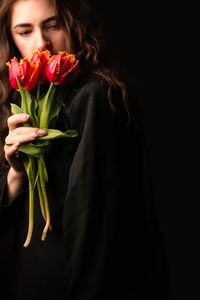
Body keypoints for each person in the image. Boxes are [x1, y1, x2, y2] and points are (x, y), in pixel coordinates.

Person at [0, 0, 169, 299]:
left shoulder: (94, 96)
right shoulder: (14, 100)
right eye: (24, 32)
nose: (42, 44)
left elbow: (93, 224)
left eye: (54, 26)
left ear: (73, 24)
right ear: (10, 38)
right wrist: (15, 177)